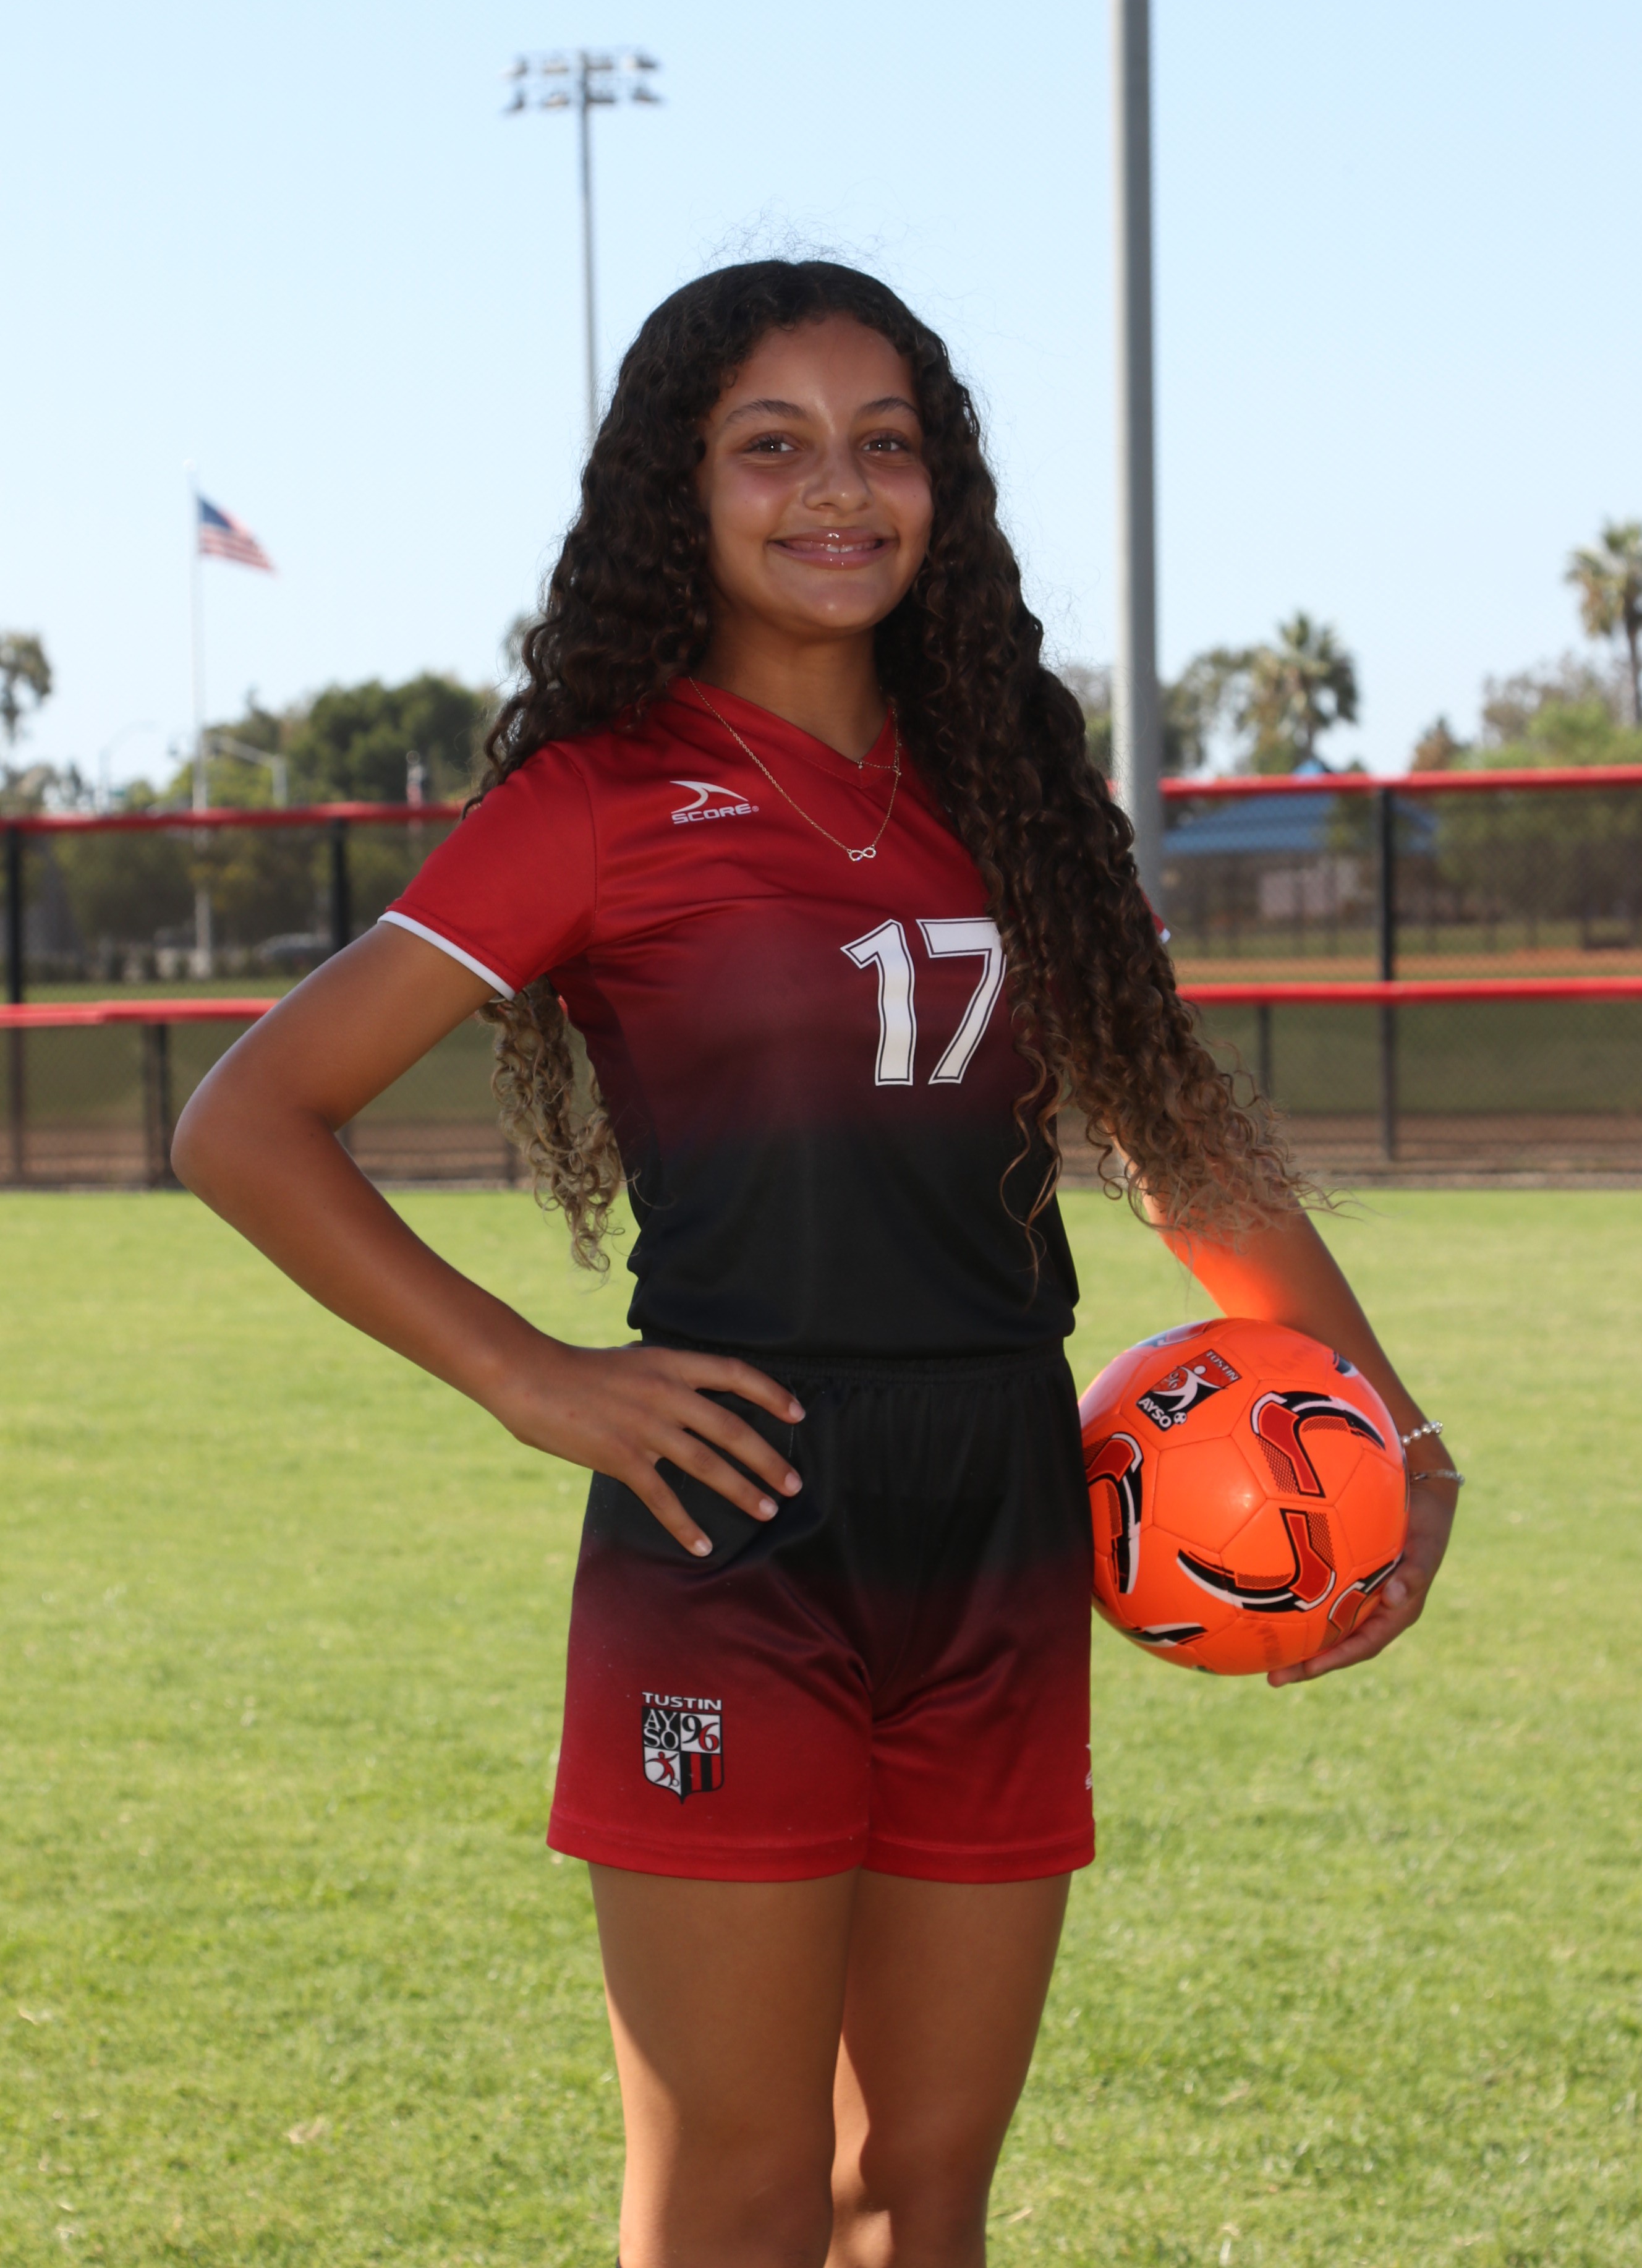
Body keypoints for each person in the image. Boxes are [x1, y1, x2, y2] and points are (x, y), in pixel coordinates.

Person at [172, 258, 1458, 2268]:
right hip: (735, 1526)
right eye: (771, 446)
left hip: (1001, 1514)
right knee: (738, 2198)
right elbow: (244, 1119)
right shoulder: (596, 805)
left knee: (915, 2195)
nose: (838, 489)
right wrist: (532, 1376)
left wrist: (1387, 1422)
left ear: (946, 487)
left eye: (887, 443)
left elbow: (1178, 1143)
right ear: (676, 492)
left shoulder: (1017, 799)